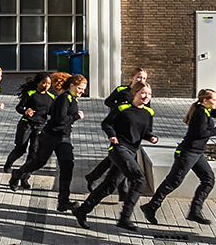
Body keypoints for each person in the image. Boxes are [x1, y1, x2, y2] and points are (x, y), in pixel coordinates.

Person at [70, 79, 154, 230]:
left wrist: (151, 137)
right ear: (135, 93)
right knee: (139, 180)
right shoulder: (122, 108)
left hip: (132, 151)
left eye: (149, 94)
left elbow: (146, 132)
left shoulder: (149, 113)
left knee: (109, 185)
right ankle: (125, 218)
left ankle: (82, 211)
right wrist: (112, 135)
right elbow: (106, 123)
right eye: (143, 93)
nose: (146, 96)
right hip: (118, 149)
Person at [144, 87, 216, 225]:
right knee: (173, 181)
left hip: (197, 153)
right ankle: (151, 206)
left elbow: (210, 113)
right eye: (214, 100)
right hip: (187, 153)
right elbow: (200, 133)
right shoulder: (200, 113)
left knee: (208, 180)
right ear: (205, 100)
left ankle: (195, 212)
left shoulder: (203, 109)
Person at [9, 73, 85, 210]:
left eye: (83, 89)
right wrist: (75, 116)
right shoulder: (64, 98)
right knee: (39, 161)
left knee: (67, 166)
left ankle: (63, 201)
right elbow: (60, 120)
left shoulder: (72, 98)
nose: (82, 92)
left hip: (64, 138)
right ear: (72, 86)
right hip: (51, 136)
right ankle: (18, 174)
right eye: (80, 88)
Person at [83, 70, 156, 200]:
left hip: (131, 131)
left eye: (144, 78)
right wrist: (120, 107)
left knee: (114, 160)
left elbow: (145, 112)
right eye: (139, 77)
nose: (141, 80)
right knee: (120, 160)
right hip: (119, 128)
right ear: (132, 77)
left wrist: (149, 135)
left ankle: (94, 177)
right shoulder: (122, 90)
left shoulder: (145, 93)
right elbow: (108, 102)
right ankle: (123, 192)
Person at [2, 71, 53, 180]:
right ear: (38, 83)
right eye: (44, 83)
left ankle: (25, 177)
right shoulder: (30, 94)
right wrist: (26, 111)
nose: (46, 86)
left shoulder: (51, 97)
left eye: (48, 84)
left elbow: (51, 112)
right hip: (26, 125)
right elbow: (19, 108)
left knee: (34, 152)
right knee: (20, 148)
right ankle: (8, 163)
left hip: (40, 127)